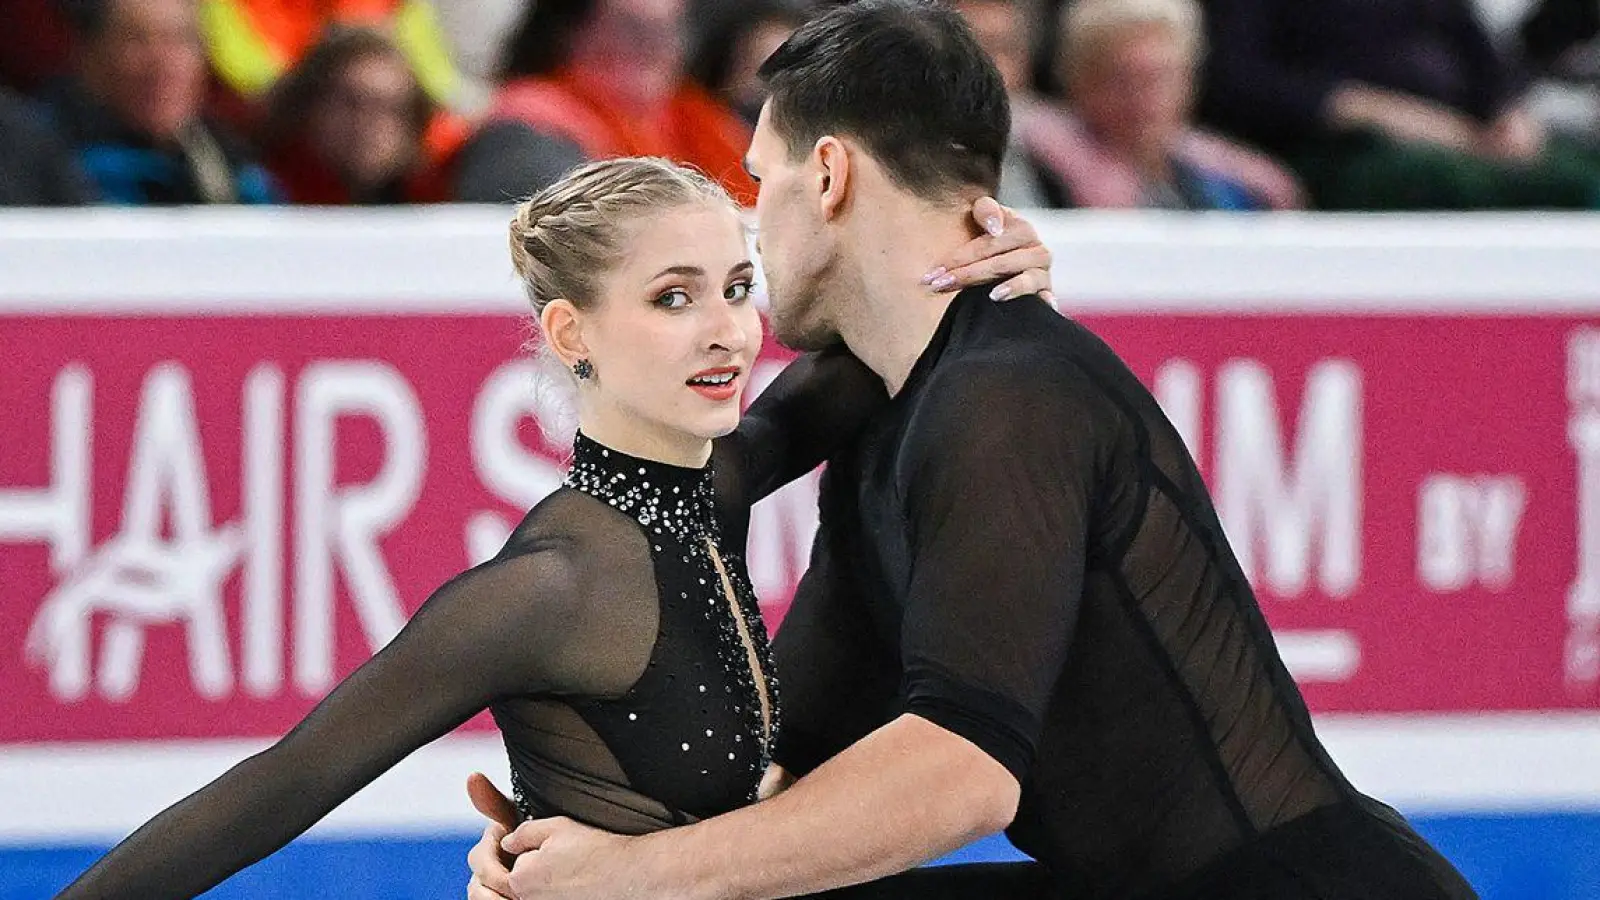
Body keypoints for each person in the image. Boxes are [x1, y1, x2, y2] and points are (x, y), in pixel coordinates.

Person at [466, 3, 1479, 899]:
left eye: (758, 184)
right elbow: (775, 774)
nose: (749, 235)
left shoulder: (1008, 395)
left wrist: (641, 877)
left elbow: (961, 776)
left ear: (828, 176)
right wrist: (569, 851)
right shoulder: (888, 436)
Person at [46, 155, 1054, 900]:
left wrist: (1005, 262)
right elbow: (281, 784)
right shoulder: (555, 585)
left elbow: (901, 325)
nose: (727, 330)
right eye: (673, 298)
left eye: (736, 287)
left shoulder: (718, 480)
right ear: (573, 333)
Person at [453, 0, 757, 204]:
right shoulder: (527, 128)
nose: (653, 46)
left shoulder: (698, 123)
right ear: (569, 30)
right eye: (631, 28)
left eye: (669, 29)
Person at [45, 0, 277, 205]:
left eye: (180, 40)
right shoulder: (42, 159)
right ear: (91, 58)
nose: (162, 64)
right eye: (136, 40)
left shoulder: (237, 170)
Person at [259, 26, 450, 204]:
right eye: (351, 102)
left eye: (389, 107)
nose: (369, 122)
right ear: (308, 106)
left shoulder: (440, 205)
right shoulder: (257, 193)